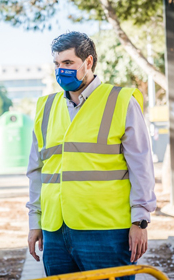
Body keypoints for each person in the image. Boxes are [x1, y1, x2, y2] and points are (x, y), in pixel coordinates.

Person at [26, 31, 156, 279]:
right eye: (56, 63)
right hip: (55, 232)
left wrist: (140, 221)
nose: (60, 70)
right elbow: (36, 172)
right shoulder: (46, 107)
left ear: (88, 62)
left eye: (68, 63)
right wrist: (35, 222)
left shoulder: (121, 101)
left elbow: (141, 167)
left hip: (106, 231)